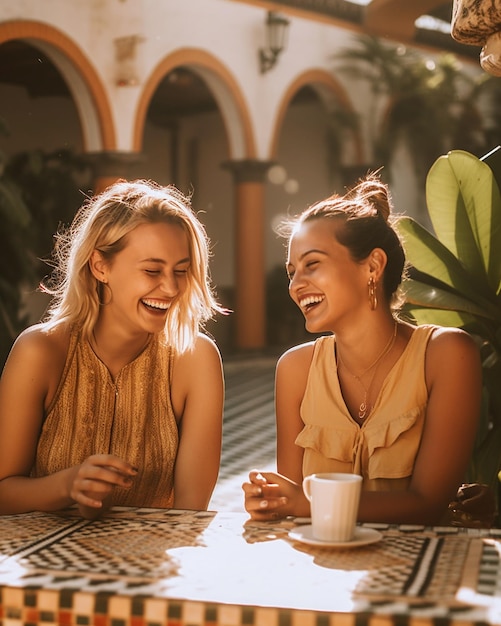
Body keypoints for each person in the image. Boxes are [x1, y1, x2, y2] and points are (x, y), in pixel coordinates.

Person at [243, 174, 482, 526]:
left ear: (372, 266)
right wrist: (271, 499)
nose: (296, 285)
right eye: (292, 272)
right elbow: (292, 508)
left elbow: (429, 503)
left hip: (419, 571)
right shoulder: (296, 369)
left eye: (312, 264)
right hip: (322, 568)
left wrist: (305, 502)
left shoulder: (446, 355)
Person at [0, 179, 226, 519]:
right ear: (100, 266)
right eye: (152, 270)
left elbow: (190, 515)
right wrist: (66, 486)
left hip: (150, 566)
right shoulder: (40, 351)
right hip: (42, 565)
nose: (171, 287)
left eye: (181, 271)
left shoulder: (195, 360)